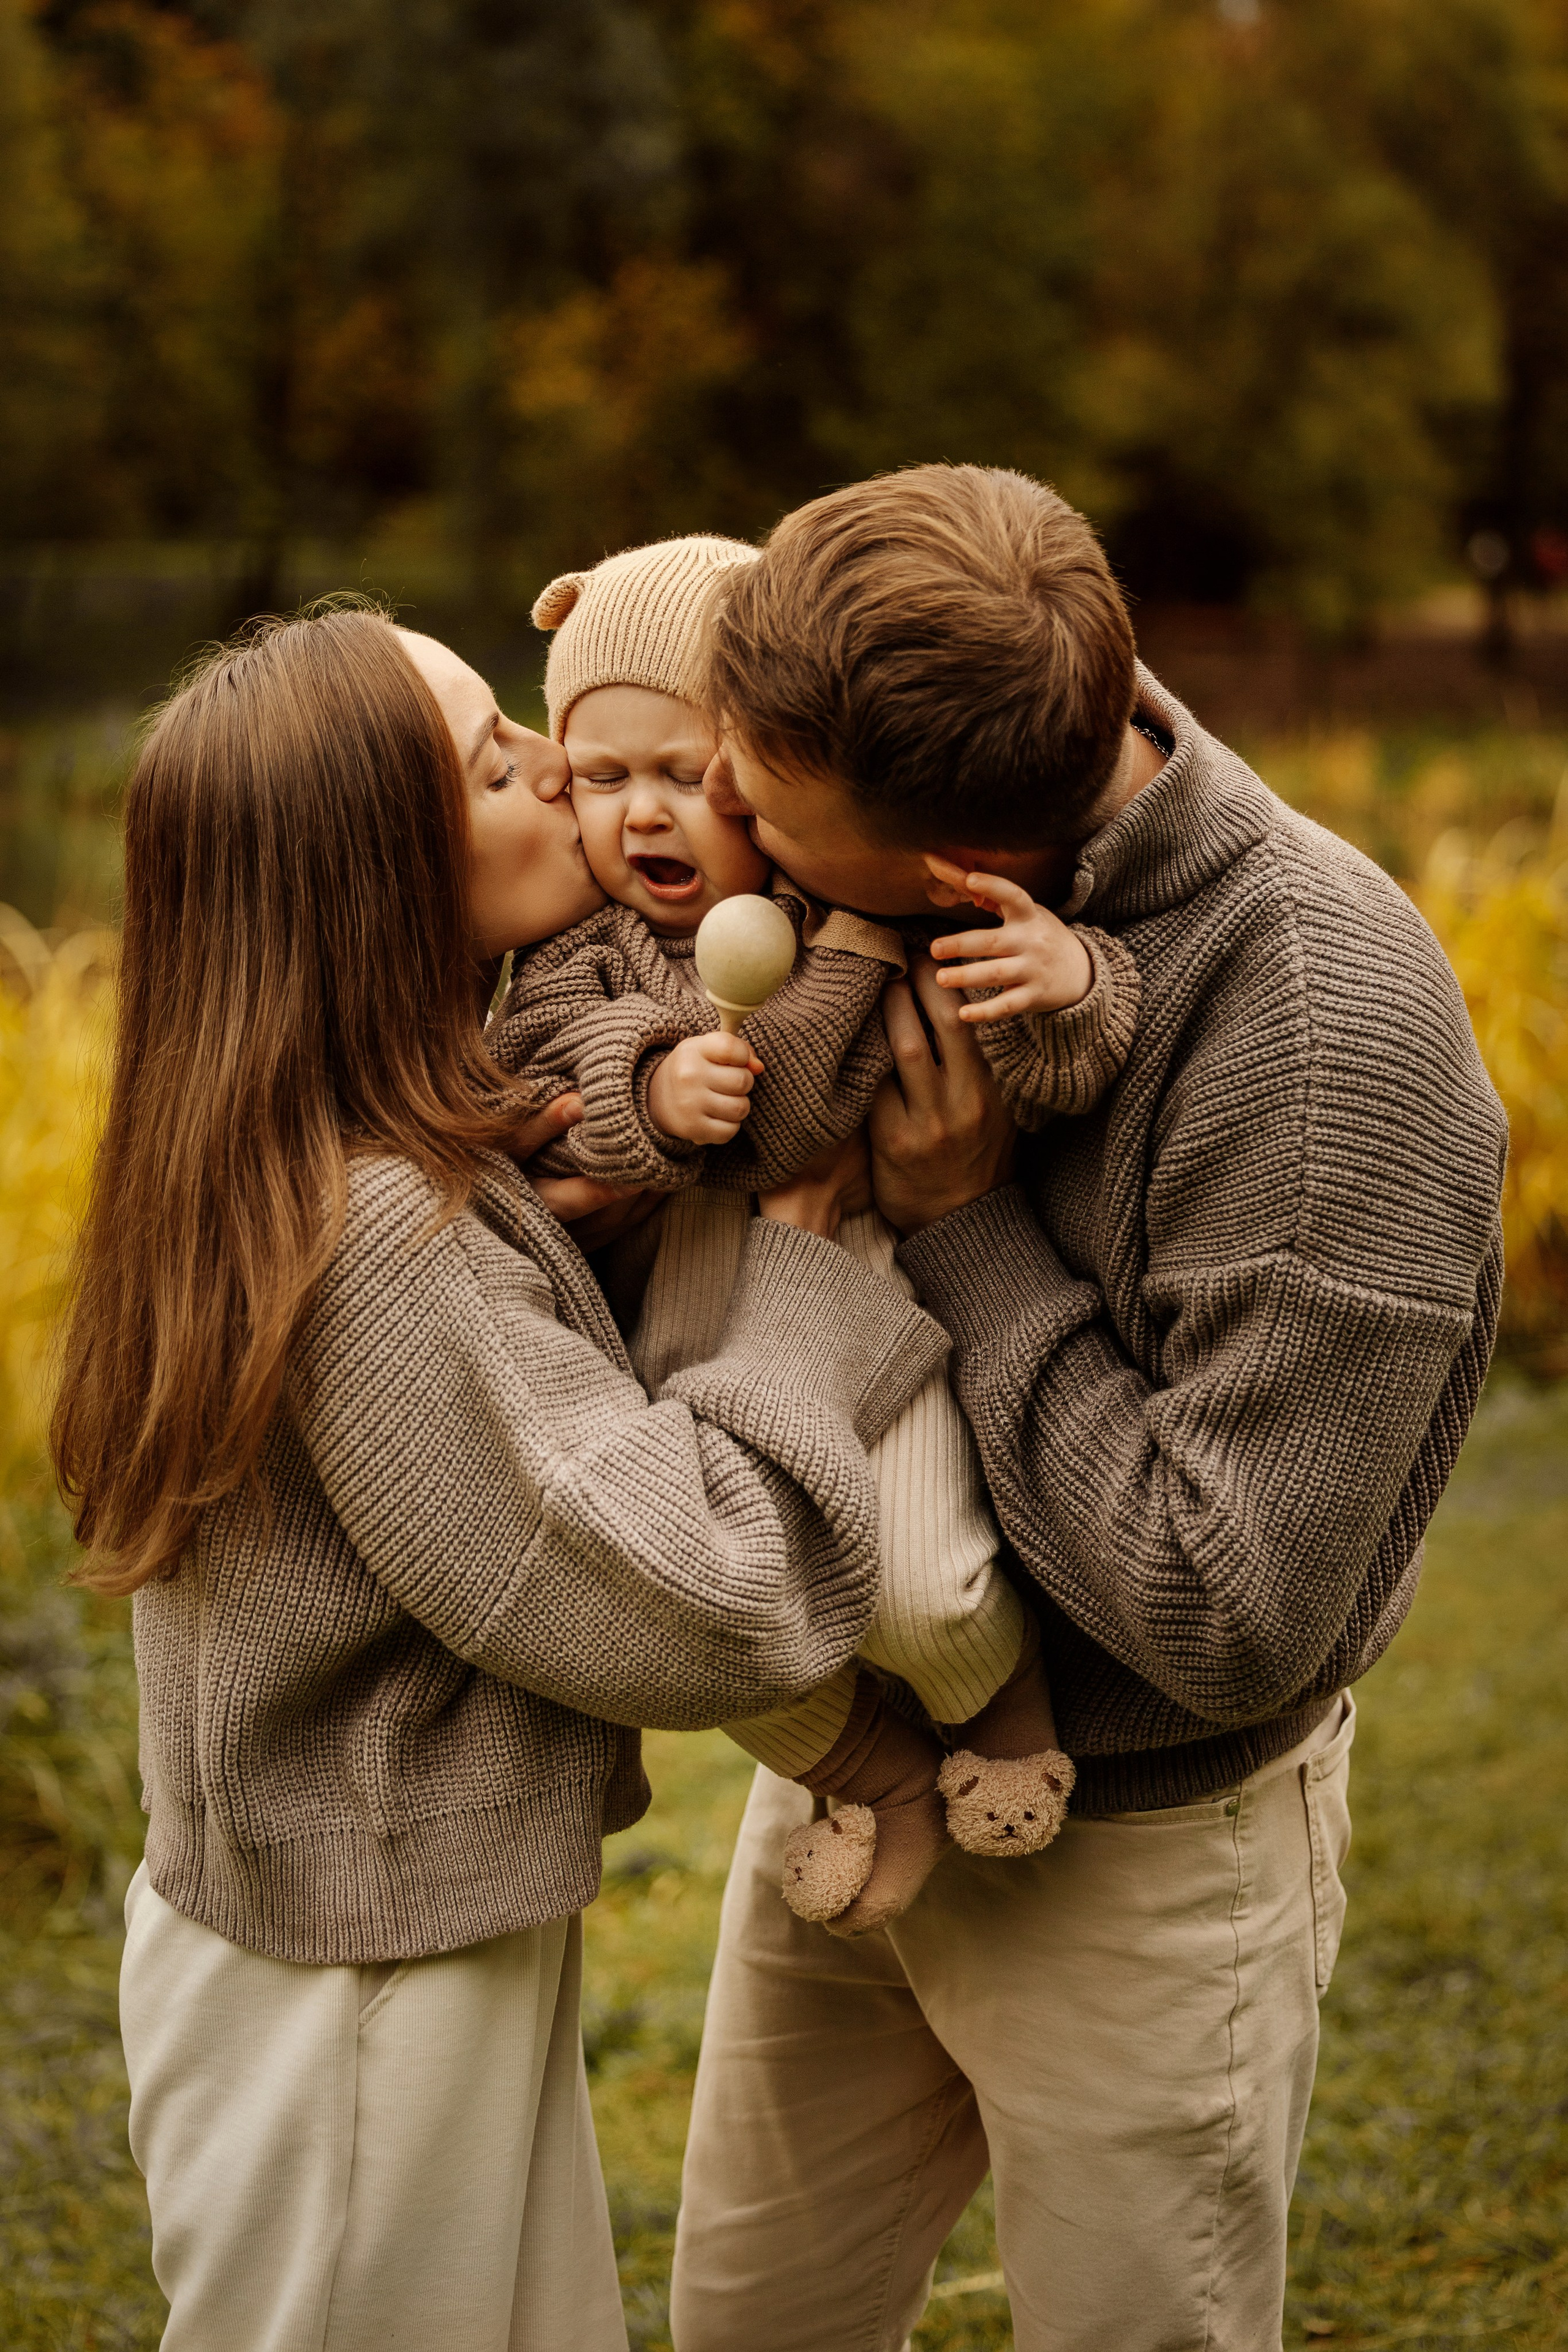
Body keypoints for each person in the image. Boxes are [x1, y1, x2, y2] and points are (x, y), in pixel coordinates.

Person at [666, 466, 1509, 2352]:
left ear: (966, 877)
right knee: (750, 2325)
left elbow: (1232, 1614)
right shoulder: (862, 856)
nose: (717, 811)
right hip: (866, 1776)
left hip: (1145, 1858)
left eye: (761, 804)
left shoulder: (1318, 1026)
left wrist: (970, 1226)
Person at [48, 603, 952, 2352]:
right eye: (494, 762)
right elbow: (699, 1604)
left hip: (372, 1932)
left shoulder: (309, 1144)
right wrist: (807, 1264)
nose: (564, 777)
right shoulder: (373, 1227)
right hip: (359, 1996)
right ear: (378, 866)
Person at [494, 532, 1139, 1930]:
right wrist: (648, 1093)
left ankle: (1003, 1705)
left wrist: (1072, 981)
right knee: (726, 1633)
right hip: (685, 1331)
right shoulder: (582, 948)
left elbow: (1054, 1073)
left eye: (681, 773)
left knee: (924, 1587)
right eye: (600, 780)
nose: (643, 816)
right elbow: (551, 1070)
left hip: (865, 1300)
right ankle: (877, 1777)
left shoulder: (865, 893)